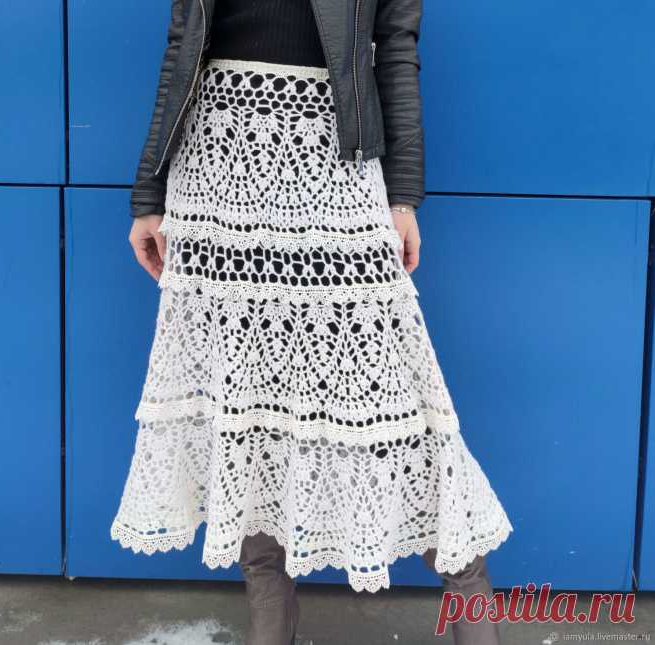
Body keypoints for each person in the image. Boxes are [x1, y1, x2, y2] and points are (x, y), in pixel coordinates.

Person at [110, 1, 514, 644]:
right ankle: (271, 606)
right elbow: (182, 43)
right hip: (214, 164)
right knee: (242, 394)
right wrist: (148, 193)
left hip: (335, 157)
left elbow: (396, 46)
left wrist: (403, 194)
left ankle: (469, 589)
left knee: (391, 396)